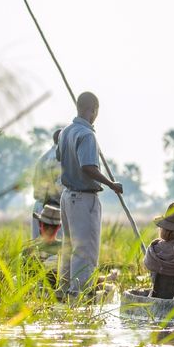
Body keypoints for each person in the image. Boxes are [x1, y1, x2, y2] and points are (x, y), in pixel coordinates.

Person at [56, 91, 123, 299]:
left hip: (67, 197)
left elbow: (60, 156)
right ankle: (80, 294)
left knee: (69, 247)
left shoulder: (66, 132)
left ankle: (64, 290)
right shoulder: (87, 135)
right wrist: (111, 184)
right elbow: (88, 167)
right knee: (85, 250)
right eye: (96, 111)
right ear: (93, 110)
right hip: (83, 199)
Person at [31, 129, 63, 239]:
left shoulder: (43, 158)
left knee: (37, 246)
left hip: (39, 205)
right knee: (55, 248)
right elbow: (60, 187)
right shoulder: (60, 158)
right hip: (53, 209)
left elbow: (34, 182)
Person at [22, 204, 62, 288]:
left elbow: (26, 278)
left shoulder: (29, 250)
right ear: (59, 227)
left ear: (40, 224)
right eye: (48, 226)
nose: (49, 229)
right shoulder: (66, 249)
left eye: (51, 227)